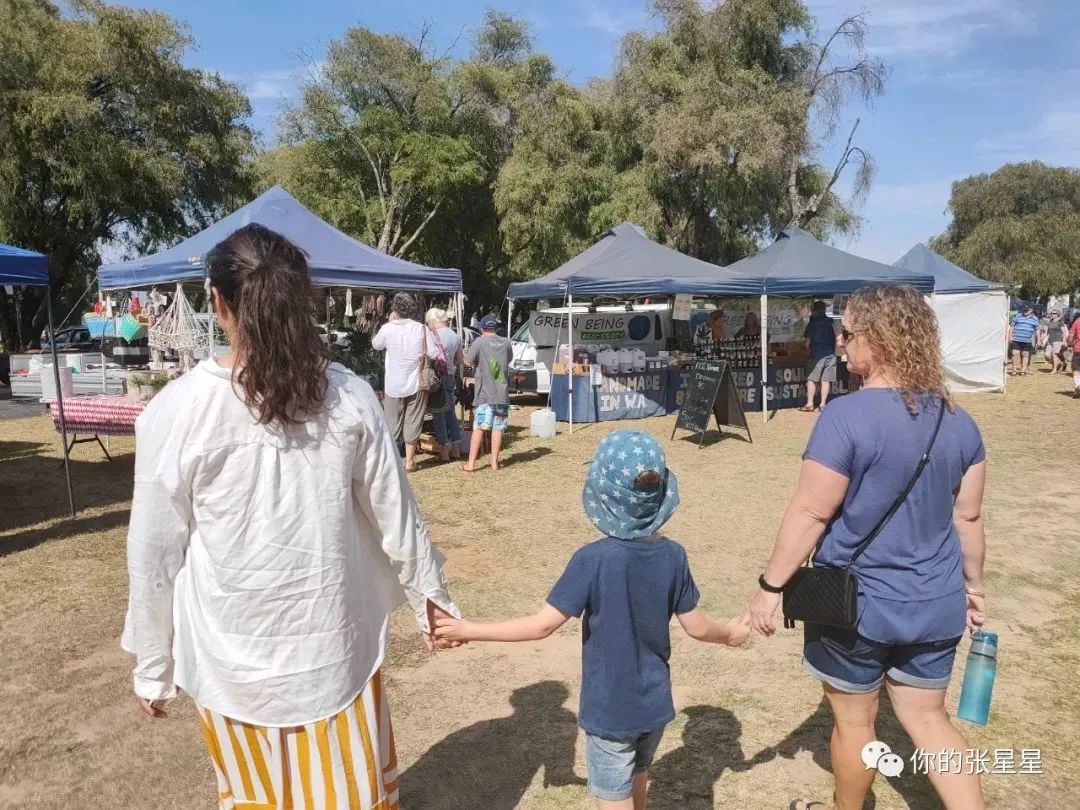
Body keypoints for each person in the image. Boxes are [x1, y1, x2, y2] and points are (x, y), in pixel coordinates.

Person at [122, 224, 461, 810]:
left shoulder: (176, 411)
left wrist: (154, 666)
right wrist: (432, 597)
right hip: (332, 653)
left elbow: (153, 554)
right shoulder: (348, 396)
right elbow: (397, 515)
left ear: (217, 300)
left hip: (248, 665)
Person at [747, 284, 987, 810]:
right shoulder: (960, 421)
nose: (840, 345)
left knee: (856, 723)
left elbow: (812, 512)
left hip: (855, 608)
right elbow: (967, 517)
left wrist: (770, 587)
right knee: (929, 720)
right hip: (936, 600)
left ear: (879, 338)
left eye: (848, 333)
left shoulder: (844, 418)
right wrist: (974, 587)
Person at [435, 430, 751, 810]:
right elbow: (697, 626)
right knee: (638, 775)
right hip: (654, 707)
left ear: (603, 494)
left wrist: (469, 630)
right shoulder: (674, 556)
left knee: (613, 795)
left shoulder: (593, 559)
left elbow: (542, 625)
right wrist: (730, 634)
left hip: (611, 710)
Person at [372, 292, 443, 471]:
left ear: (395, 308)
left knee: (392, 422)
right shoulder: (421, 328)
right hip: (417, 382)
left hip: (393, 384)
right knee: (414, 421)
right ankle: (410, 461)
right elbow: (434, 354)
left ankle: (392, 460)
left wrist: (389, 322)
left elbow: (376, 345)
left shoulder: (388, 328)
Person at [462, 313, 512, 472]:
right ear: (496, 327)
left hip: (484, 393)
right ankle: (494, 463)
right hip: (501, 392)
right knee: (498, 428)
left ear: (482, 328)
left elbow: (468, 361)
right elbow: (508, 359)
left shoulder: (480, 342)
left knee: (479, 427)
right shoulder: (506, 342)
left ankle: (471, 464)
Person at [426, 306, 465, 462]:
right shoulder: (455, 335)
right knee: (450, 412)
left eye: (428, 322)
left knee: (438, 413)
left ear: (433, 321)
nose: (428, 325)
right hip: (450, 376)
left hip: (437, 377)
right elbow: (460, 359)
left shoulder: (432, 335)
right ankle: (456, 447)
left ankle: (444, 449)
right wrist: (450, 362)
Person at [800, 301, 839, 412]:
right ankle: (822, 405)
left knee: (812, 379)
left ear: (814, 310)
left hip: (816, 354)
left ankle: (810, 404)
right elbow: (837, 338)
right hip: (831, 354)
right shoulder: (831, 322)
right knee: (826, 380)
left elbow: (807, 343)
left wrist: (805, 347)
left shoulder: (812, 324)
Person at [1008, 304, 1039, 375]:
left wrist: (1039, 339)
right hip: (1016, 339)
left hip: (1027, 340)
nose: (1025, 311)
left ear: (1031, 310)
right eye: (1024, 309)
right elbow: (1012, 326)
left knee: (1025, 355)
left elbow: (1037, 330)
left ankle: (1023, 371)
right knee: (1014, 354)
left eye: (1026, 310)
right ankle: (1014, 370)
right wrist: (1010, 336)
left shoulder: (1035, 319)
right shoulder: (1018, 316)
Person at [1043, 310, 1067, 374]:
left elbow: (1064, 332)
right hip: (1050, 340)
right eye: (1051, 313)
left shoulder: (1060, 322)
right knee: (1047, 355)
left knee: (1054, 354)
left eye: (1054, 313)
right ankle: (1058, 363)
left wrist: (1064, 341)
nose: (1052, 314)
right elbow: (1046, 332)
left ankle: (1054, 369)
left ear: (1057, 314)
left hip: (1058, 340)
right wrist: (1041, 339)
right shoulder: (1050, 322)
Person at [1069, 313, 1080, 398]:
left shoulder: (1077, 321)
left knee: (1076, 368)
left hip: (1078, 349)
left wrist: (1069, 345)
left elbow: (1071, 335)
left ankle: (1077, 385)